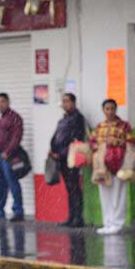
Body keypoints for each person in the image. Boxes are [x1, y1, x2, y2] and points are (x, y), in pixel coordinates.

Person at [89, 99, 135, 235]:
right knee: (105, 194)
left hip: (119, 163)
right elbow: (92, 142)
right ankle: (107, 223)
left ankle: (117, 223)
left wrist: (115, 142)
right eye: (107, 109)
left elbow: (131, 141)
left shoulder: (124, 126)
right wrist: (99, 146)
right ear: (103, 110)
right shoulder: (99, 126)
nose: (109, 111)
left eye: (112, 109)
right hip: (103, 166)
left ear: (116, 110)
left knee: (119, 195)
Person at [49, 93, 87, 227]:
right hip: (60, 158)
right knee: (69, 188)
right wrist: (52, 150)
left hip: (70, 158)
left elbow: (76, 140)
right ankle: (71, 217)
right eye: (63, 101)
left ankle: (78, 218)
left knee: (75, 188)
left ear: (73, 102)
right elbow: (56, 137)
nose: (64, 104)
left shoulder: (77, 118)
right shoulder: (63, 119)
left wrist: (62, 153)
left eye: (67, 101)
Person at [0, 93, 24, 222]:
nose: (0, 104)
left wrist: (8, 152)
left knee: (12, 182)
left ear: (8, 102)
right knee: (0, 184)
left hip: (9, 156)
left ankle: (18, 211)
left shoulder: (15, 118)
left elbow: (16, 137)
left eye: (2, 101)